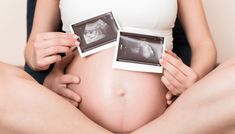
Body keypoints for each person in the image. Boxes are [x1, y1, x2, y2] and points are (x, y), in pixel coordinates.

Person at [2, 0, 231, 133]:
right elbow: (33, 46)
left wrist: (193, 78)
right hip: (74, 116)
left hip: (165, 117)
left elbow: (203, 43)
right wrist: (39, 61)